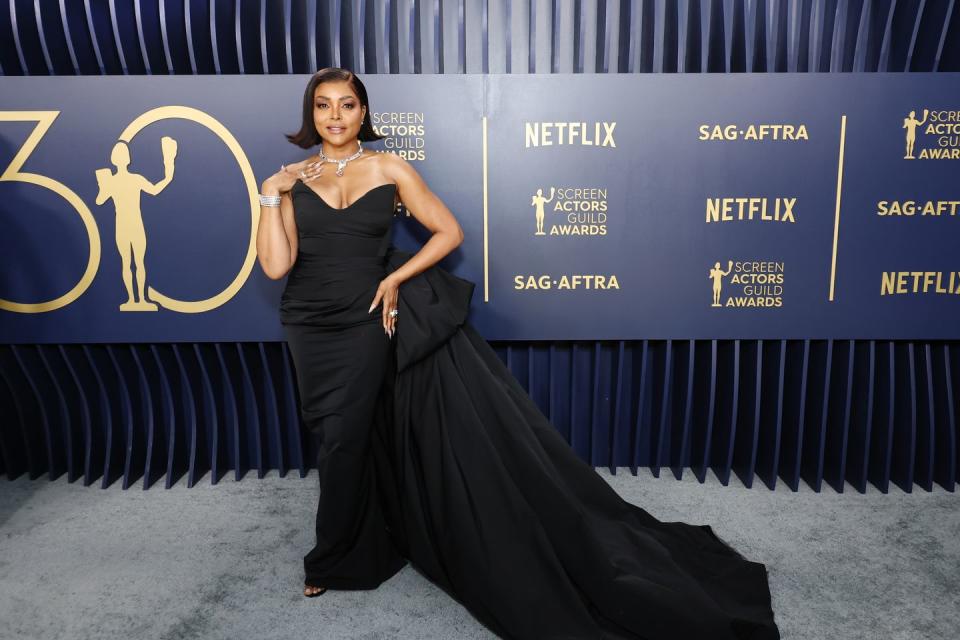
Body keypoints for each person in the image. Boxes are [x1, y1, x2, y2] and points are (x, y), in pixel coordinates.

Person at [256, 67, 781, 640]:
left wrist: (396, 279)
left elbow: (448, 232)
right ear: (312, 114)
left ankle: (332, 558)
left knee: (343, 436)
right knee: (340, 432)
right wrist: (269, 196)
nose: (335, 116)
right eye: (324, 106)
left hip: (366, 319)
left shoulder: (388, 167)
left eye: (347, 105)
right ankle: (375, 537)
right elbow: (278, 267)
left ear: (363, 113)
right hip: (309, 321)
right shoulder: (292, 178)